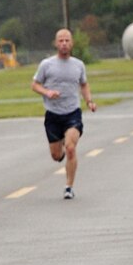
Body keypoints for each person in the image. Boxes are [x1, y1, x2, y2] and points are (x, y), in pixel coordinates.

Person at [31, 28, 97, 200]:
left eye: (67, 40)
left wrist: (89, 101)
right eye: (61, 41)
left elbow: (84, 85)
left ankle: (69, 186)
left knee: (70, 148)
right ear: (56, 43)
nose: (64, 44)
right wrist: (47, 92)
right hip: (53, 114)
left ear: (72, 43)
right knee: (56, 155)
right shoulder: (47, 65)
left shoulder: (78, 65)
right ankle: (59, 146)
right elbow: (35, 85)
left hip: (72, 113)